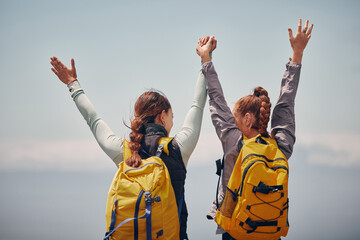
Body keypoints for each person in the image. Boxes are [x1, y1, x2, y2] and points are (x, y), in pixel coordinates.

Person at [49, 37, 214, 240]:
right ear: (162, 116)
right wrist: (205, 58)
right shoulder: (178, 148)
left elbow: (93, 120)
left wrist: (72, 84)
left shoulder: (124, 151)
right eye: (172, 116)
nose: (172, 122)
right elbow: (198, 104)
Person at [196, 19, 313, 239]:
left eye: (235, 117)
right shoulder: (279, 147)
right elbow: (286, 104)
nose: (232, 120)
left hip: (235, 231)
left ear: (247, 119)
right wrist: (297, 54)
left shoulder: (233, 142)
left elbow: (216, 99)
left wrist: (206, 58)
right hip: (270, 231)